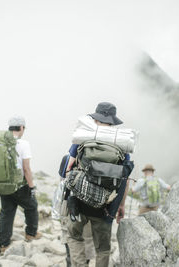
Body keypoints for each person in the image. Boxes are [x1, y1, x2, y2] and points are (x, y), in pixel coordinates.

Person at [66, 102, 133, 267]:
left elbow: (67, 168)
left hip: (79, 203)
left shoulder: (83, 138)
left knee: (74, 237)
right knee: (102, 249)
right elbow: (124, 179)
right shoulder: (122, 146)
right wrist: (121, 206)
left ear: (96, 119)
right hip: (104, 207)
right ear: (112, 122)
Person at [0, 116, 42, 255]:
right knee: (32, 207)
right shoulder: (23, 144)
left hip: (3, 184)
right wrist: (31, 187)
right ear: (21, 128)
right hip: (19, 186)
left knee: (7, 213)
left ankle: (3, 244)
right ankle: (31, 233)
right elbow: (26, 169)